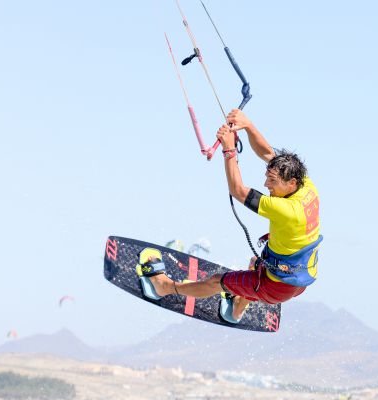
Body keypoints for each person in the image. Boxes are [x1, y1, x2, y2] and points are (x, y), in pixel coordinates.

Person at [136, 109, 322, 324]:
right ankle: (236, 309)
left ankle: (165, 287)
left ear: (291, 183)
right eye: (267, 178)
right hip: (299, 280)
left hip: (277, 286)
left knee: (216, 282)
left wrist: (229, 149)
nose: (265, 185)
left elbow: (238, 190)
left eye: (272, 181)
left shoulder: (286, 210)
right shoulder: (306, 186)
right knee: (255, 262)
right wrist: (248, 125)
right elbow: (268, 154)